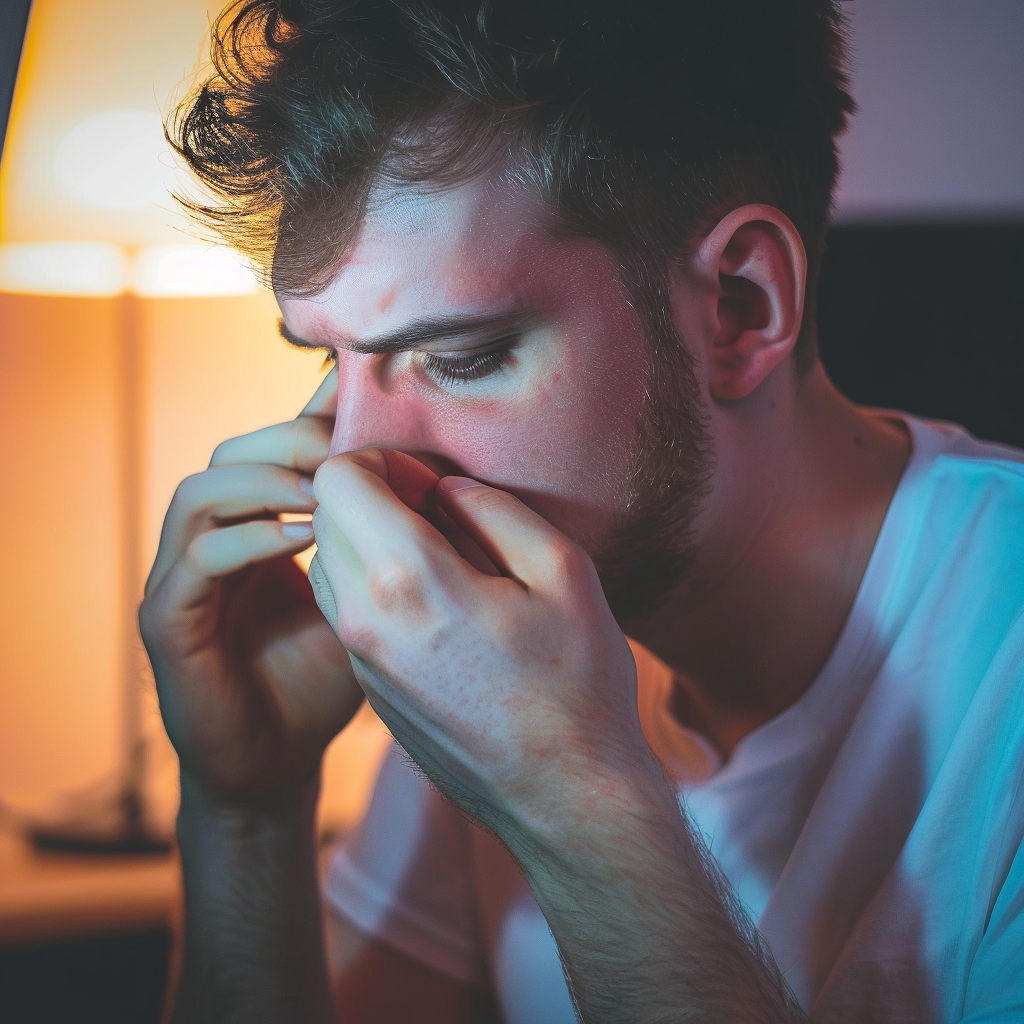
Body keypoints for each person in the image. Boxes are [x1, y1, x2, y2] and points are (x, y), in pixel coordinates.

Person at [139, 0, 1024, 1021]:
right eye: (331, 361)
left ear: (738, 309)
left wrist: (568, 792)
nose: (355, 460)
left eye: (460, 356)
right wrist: (248, 805)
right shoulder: (480, 631)